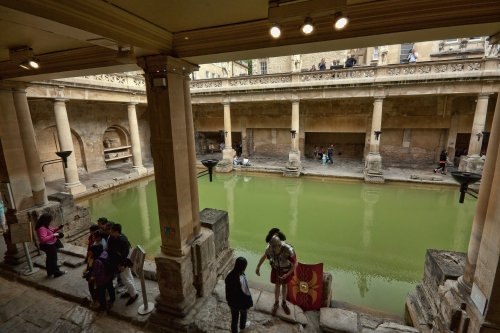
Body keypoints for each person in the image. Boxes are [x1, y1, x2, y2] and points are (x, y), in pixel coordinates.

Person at [255, 228, 297, 316]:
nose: (272, 248)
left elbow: (295, 264)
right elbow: (265, 256)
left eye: (274, 247)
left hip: (286, 270)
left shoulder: (288, 250)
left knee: (285, 285)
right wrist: (258, 267)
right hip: (276, 268)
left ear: (279, 245)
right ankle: (276, 303)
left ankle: (284, 303)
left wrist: (288, 274)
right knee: (277, 285)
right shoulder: (270, 248)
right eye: (271, 246)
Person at [108, 223, 138, 306]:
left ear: (117, 231)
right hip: (119, 262)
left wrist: (122, 265)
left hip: (123, 263)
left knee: (125, 279)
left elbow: (126, 254)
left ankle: (133, 295)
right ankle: (131, 291)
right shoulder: (115, 237)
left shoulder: (122, 240)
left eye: (112, 231)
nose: (110, 232)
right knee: (128, 276)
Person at [225, 257, 253, 333]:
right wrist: (250, 302)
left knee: (234, 318)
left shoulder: (229, 275)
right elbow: (246, 292)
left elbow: (227, 290)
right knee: (243, 315)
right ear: (244, 267)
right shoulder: (241, 277)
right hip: (242, 303)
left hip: (232, 302)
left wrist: (228, 300)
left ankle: (234, 331)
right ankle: (242, 326)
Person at [35, 213, 66, 278]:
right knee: (53, 259)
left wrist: (58, 228)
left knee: (49, 259)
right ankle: (57, 273)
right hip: (49, 246)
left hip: (50, 245)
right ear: (46, 220)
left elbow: (50, 231)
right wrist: (53, 235)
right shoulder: (41, 228)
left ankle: (50, 272)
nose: (50, 221)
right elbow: (43, 239)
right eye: (49, 220)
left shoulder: (44, 226)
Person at [88, 244, 115, 312]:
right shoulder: (104, 253)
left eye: (91, 251)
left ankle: (103, 307)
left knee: (101, 294)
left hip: (101, 280)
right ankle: (112, 299)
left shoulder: (97, 261)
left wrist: (91, 279)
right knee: (110, 288)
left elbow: (96, 273)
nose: (90, 252)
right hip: (109, 275)